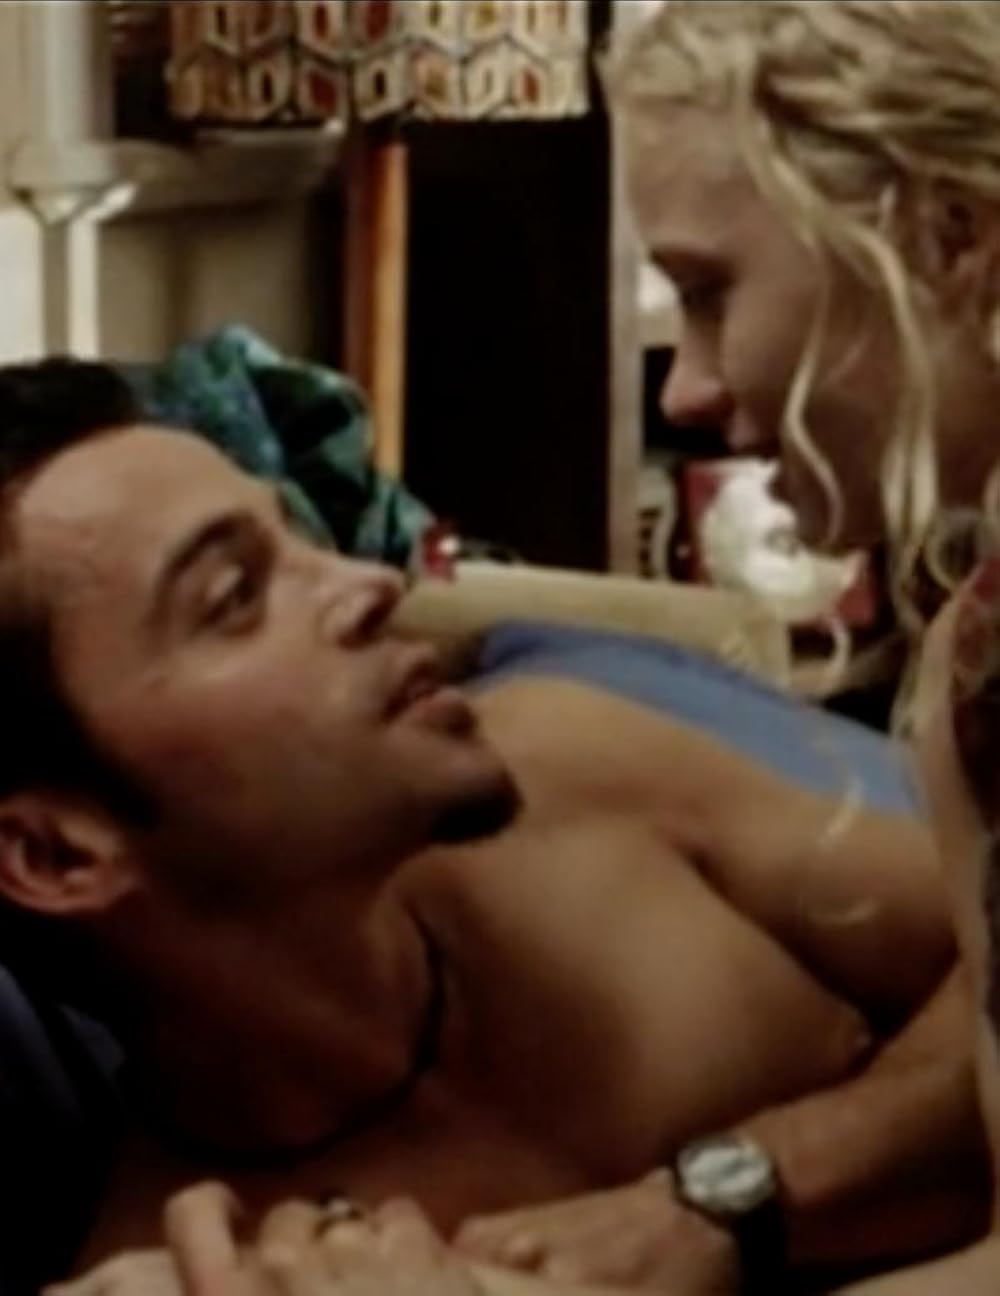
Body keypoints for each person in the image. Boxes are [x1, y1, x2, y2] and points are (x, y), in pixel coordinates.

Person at [0, 357, 975, 1296]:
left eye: (296, 531)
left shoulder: (582, 768)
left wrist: (735, 1201)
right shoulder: (213, 1270)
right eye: (233, 598)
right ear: (56, 854)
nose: (369, 583)